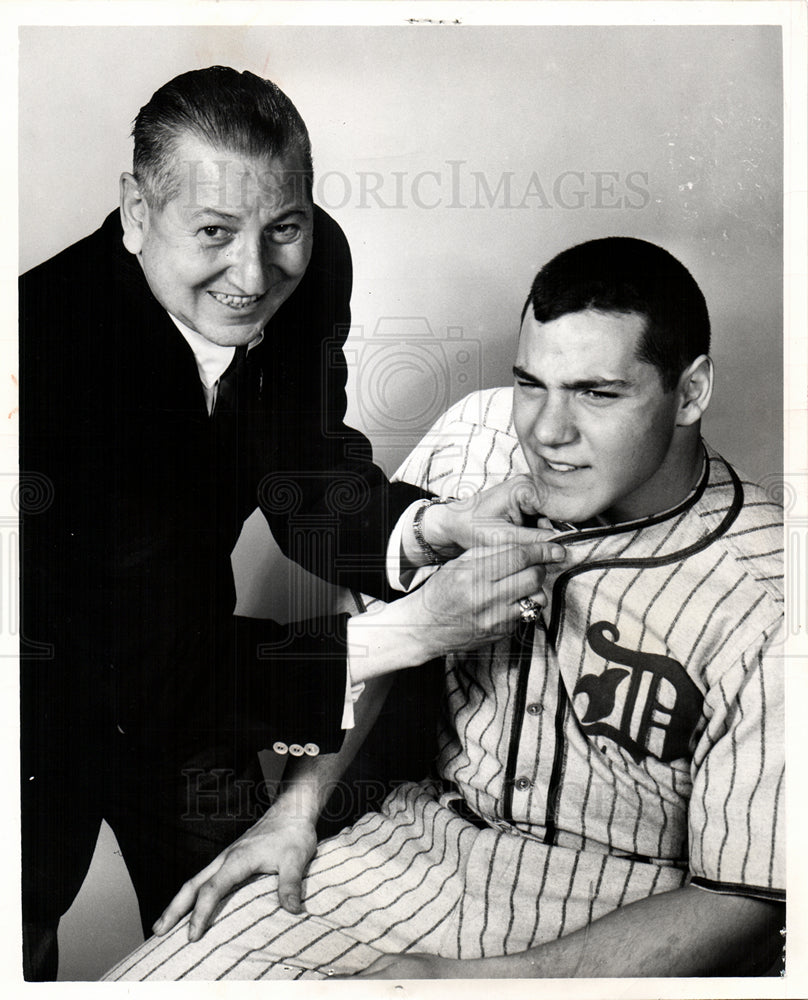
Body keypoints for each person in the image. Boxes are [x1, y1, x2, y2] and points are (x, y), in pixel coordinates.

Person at [104, 236, 784, 981]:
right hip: (419, 844)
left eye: (598, 392)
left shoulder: (772, 589)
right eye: (532, 383)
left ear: (690, 392)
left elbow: (741, 896)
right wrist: (293, 812)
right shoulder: (479, 435)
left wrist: (469, 982)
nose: (548, 432)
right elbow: (388, 625)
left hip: (624, 904)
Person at [20, 66, 560, 980]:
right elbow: (146, 663)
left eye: (285, 229)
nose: (256, 273)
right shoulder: (44, 356)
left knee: (240, 936)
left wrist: (434, 527)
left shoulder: (308, 267)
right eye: (215, 234)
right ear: (135, 212)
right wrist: (417, 627)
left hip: (196, 686)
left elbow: (303, 463)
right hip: (32, 710)